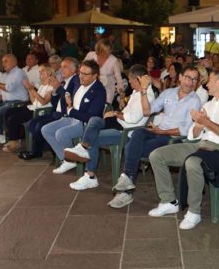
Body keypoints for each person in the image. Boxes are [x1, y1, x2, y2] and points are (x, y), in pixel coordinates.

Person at [147, 69, 219, 229]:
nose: (207, 84)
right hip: (200, 145)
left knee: (193, 162)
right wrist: (198, 127)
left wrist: (206, 123)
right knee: (156, 155)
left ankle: (194, 212)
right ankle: (168, 201)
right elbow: (192, 135)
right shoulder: (208, 104)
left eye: (210, 81)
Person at [63, 65, 155, 204]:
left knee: (92, 136)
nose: (129, 82)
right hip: (118, 124)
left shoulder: (146, 95)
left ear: (138, 79)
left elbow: (133, 119)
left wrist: (116, 113)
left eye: (130, 79)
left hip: (125, 132)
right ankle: (83, 150)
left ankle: (90, 174)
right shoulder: (136, 92)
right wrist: (118, 111)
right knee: (94, 120)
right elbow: (128, 113)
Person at [109, 66, 202, 205]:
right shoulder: (168, 93)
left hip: (174, 139)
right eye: (188, 77)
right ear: (180, 77)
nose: (190, 82)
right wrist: (144, 90)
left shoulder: (195, 100)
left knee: (130, 148)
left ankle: (126, 189)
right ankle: (127, 180)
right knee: (138, 132)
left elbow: (185, 130)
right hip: (159, 132)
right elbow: (147, 111)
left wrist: (162, 132)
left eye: (194, 79)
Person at [41, 60, 106, 189]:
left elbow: (91, 117)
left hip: (84, 124)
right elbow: (68, 90)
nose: (81, 76)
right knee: (46, 129)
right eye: (80, 72)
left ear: (95, 76)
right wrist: (67, 95)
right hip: (71, 117)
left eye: (85, 74)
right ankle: (67, 160)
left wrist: (71, 111)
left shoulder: (99, 91)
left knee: (61, 134)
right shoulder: (77, 80)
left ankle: (74, 158)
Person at [18, 57, 80, 160]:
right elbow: (56, 103)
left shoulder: (75, 81)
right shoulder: (65, 82)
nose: (61, 69)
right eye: (61, 66)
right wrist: (55, 93)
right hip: (56, 112)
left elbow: (70, 99)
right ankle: (48, 148)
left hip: (64, 115)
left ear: (73, 70)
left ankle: (38, 151)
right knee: (32, 123)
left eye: (65, 67)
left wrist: (58, 88)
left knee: (40, 126)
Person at [1, 64, 54, 152]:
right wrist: (29, 89)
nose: (40, 73)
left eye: (43, 70)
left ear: (49, 72)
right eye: (39, 71)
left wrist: (32, 89)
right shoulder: (41, 85)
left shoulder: (52, 86)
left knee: (13, 118)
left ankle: (14, 142)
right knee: (8, 112)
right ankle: (14, 138)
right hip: (34, 107)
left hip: (41, 112)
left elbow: (44, 102)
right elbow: (34, 101)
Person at [85, 38, 124, 105]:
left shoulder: (114, 60)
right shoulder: (91, 55)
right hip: (91, 85)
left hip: (107, 87)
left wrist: (121, 89)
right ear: (99, 50)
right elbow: (83, 68)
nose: (107, 54)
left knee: (105, 106)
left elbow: (118, 77)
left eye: (109, 51)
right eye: (104, 52)